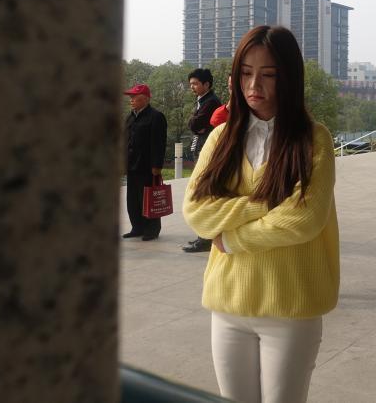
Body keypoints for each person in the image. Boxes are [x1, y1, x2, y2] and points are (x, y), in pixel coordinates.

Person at [183, 25, 339, 403]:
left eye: (268, 74)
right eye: (246, 73)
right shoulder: (222, 138)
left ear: (290, 78)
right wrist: (267, 202)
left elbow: (303, 220)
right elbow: (197, 213)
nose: (254, 85)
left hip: (290, 307)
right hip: (228, 305)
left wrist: (230, 238)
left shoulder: (313, 139)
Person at [183, 68, 223, 253]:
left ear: (207, 84)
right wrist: (195, 123)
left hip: (207, 151)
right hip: (201, 148)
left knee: (205, 193)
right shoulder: (203, 101)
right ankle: (203, 236)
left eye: (195, 83)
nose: (192, 87)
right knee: (202, 193)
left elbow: (195, 124)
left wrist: (195, 123)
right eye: (191, 84)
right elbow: (194, 125)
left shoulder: (211, 102)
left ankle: (205, 238)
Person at [123, 83, 168, 241]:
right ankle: (137, 227)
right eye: (130, 97)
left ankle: (152, 229)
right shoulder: (130, 117)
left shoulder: (156, 116)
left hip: (147, 166)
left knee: (148, 198)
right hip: (131, 165)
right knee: (133, 199)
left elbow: (159, 143)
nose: (131, 100)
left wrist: (157, 165)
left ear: (145, 99)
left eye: (134, 97)